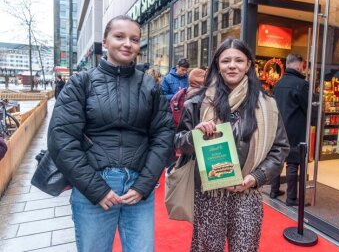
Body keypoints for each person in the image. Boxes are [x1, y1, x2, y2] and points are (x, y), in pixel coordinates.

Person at [47, 15, 175, 252]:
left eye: (134, 39)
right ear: (105, 42)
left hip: (138, 186)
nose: (128, 43)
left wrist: (144, 185)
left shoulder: (149, 86)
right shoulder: (81, 83)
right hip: (93, 185)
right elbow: (61, 139)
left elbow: (164, 135)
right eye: (119, 37)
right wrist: (97, 189)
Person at [174, 38, 289, 251]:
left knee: (245, 248)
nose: (232, 65)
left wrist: (256, 178)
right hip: (209, 194)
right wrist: (195, 134)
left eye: (239, 60)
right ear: (218, 64)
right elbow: (179, 142)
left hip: (247, 193)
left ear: (248, 65)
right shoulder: (198, 102)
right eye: (226, 60)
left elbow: (280, 149)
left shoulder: (266, 105)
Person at [270, 53, 308, 206]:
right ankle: (291, 198)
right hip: (295, 127)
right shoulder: (302, 85)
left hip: (278, 126)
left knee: (278, 159)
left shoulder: (278, 84)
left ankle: (274, 190)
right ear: (299, 65)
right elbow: (308, 108)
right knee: (293, 163)